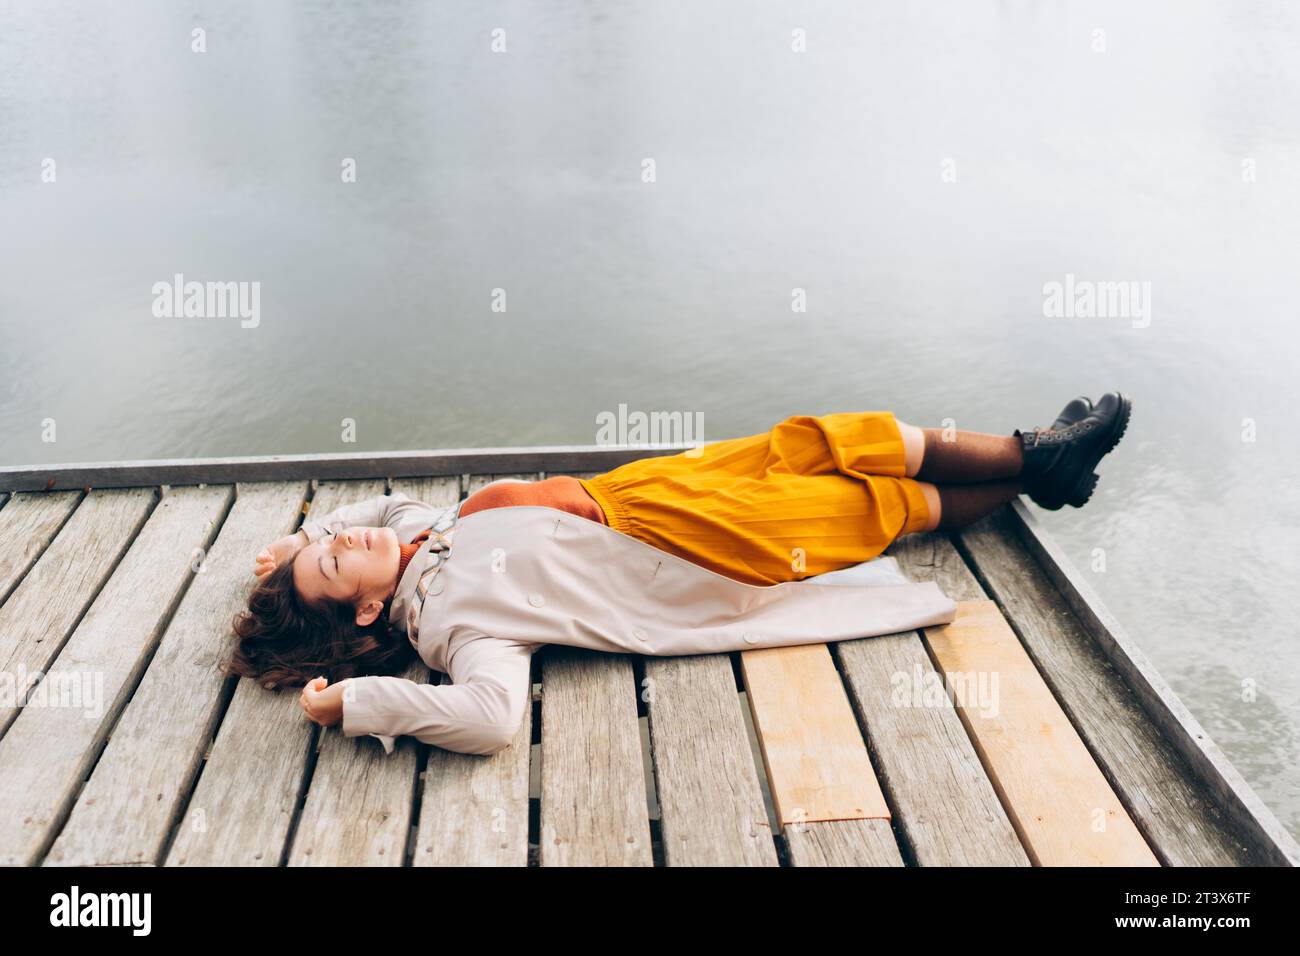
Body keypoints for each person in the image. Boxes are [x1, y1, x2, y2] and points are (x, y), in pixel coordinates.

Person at [224, 393, 1131, 756]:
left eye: (330, 541)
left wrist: (297, 544)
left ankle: (1033, 452)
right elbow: (495, 721)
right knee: (868, 506)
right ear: (372, 607)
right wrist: (361, 704)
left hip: (649, 492)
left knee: (819, 442)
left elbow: (374, 510)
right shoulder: (456, 626)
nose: (341, 539)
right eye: (334, 564)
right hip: (687, 552)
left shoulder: (416, 536)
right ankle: (1034, 472)